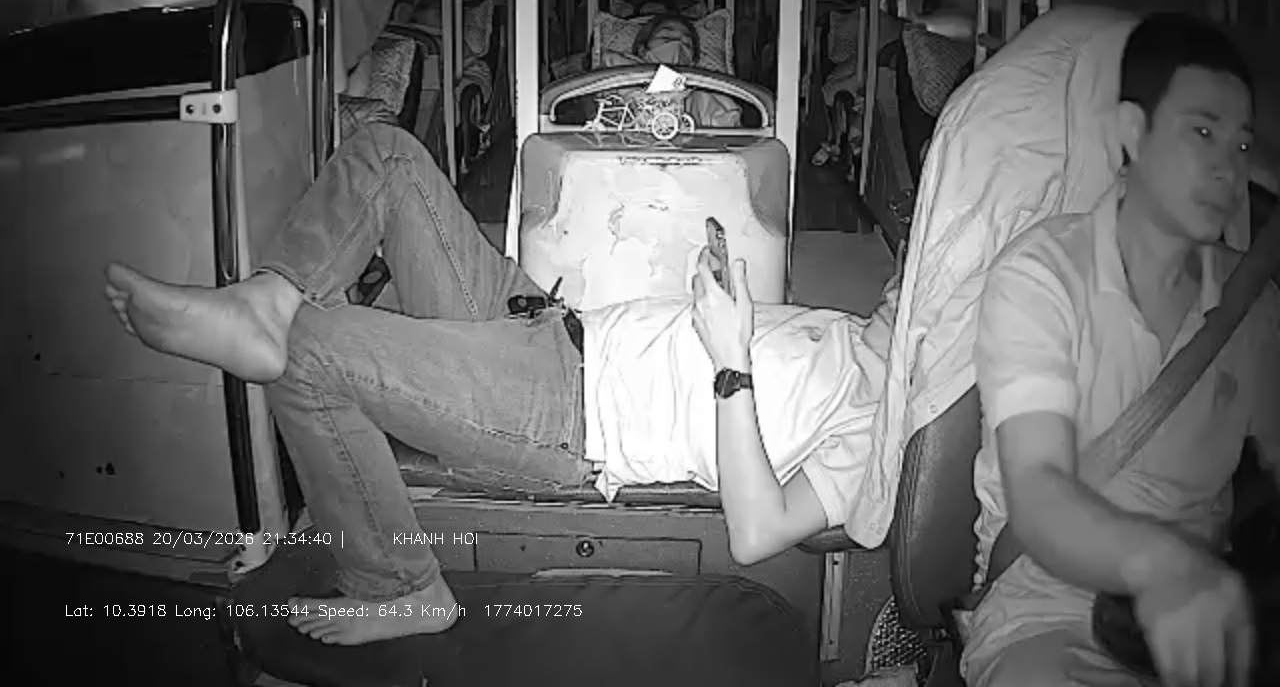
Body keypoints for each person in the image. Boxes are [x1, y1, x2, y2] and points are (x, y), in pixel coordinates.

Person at [103, 119, 891, 645]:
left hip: (567, 413)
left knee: (308, 352)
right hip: (550, 323)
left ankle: (399, 585)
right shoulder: (852, 332)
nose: (901, 284)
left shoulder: (876, 425)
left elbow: (758, 533)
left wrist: (730, 357)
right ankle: (266, 299)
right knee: (386, 155)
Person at [961, 13, 1280, 687]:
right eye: (1203, 133)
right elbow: (1039, 493)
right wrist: (1164, 567)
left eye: (1242, 144)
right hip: (1049, 612)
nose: (1228, 168)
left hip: (1207, 625)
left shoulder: (1254, 305)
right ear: (1135, 132)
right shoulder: (1043, 277)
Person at [597, 12, 743, 128]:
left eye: (686, 44)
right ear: (642, 49)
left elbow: (731, 134)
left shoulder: (706, 95)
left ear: (692, 61)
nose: (677, 45)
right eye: (666, 38)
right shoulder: (616, 68)